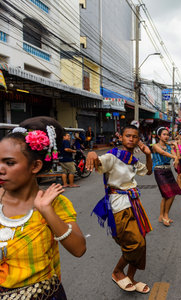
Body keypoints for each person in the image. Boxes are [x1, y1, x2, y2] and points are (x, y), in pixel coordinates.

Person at [0, 116, 86, 298]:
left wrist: (47, 212)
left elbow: (79, 249)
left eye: (9, 163)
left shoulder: (55, 203)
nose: (1, 169)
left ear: (35, 166)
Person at [86, 125, 153, 294]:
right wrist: (92, 154)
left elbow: (149, 171)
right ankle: (117, 272)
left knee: (141, 243)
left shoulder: (133, 159)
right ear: (121, 137)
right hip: (119, 205)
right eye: (128, 136)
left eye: (135, 136)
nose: (131, 139)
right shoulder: (113, 156)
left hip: (134, 203)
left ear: (138, 140)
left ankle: (130, 277)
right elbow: (99, 161)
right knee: (134, 244)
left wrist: (148, 155)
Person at [152, 127, 181, 227]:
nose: (166, 136)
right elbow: (163, 153)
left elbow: (177, 157)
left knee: (167, 195)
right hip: (159, 171)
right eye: (164, 134)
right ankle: (165, 216)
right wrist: (174, 157)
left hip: (168, 171)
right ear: (159, 136)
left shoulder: (169, 147)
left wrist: (176, 146)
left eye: (167, 135)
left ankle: (162, 216)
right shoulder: (155, 146)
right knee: (169, 194)